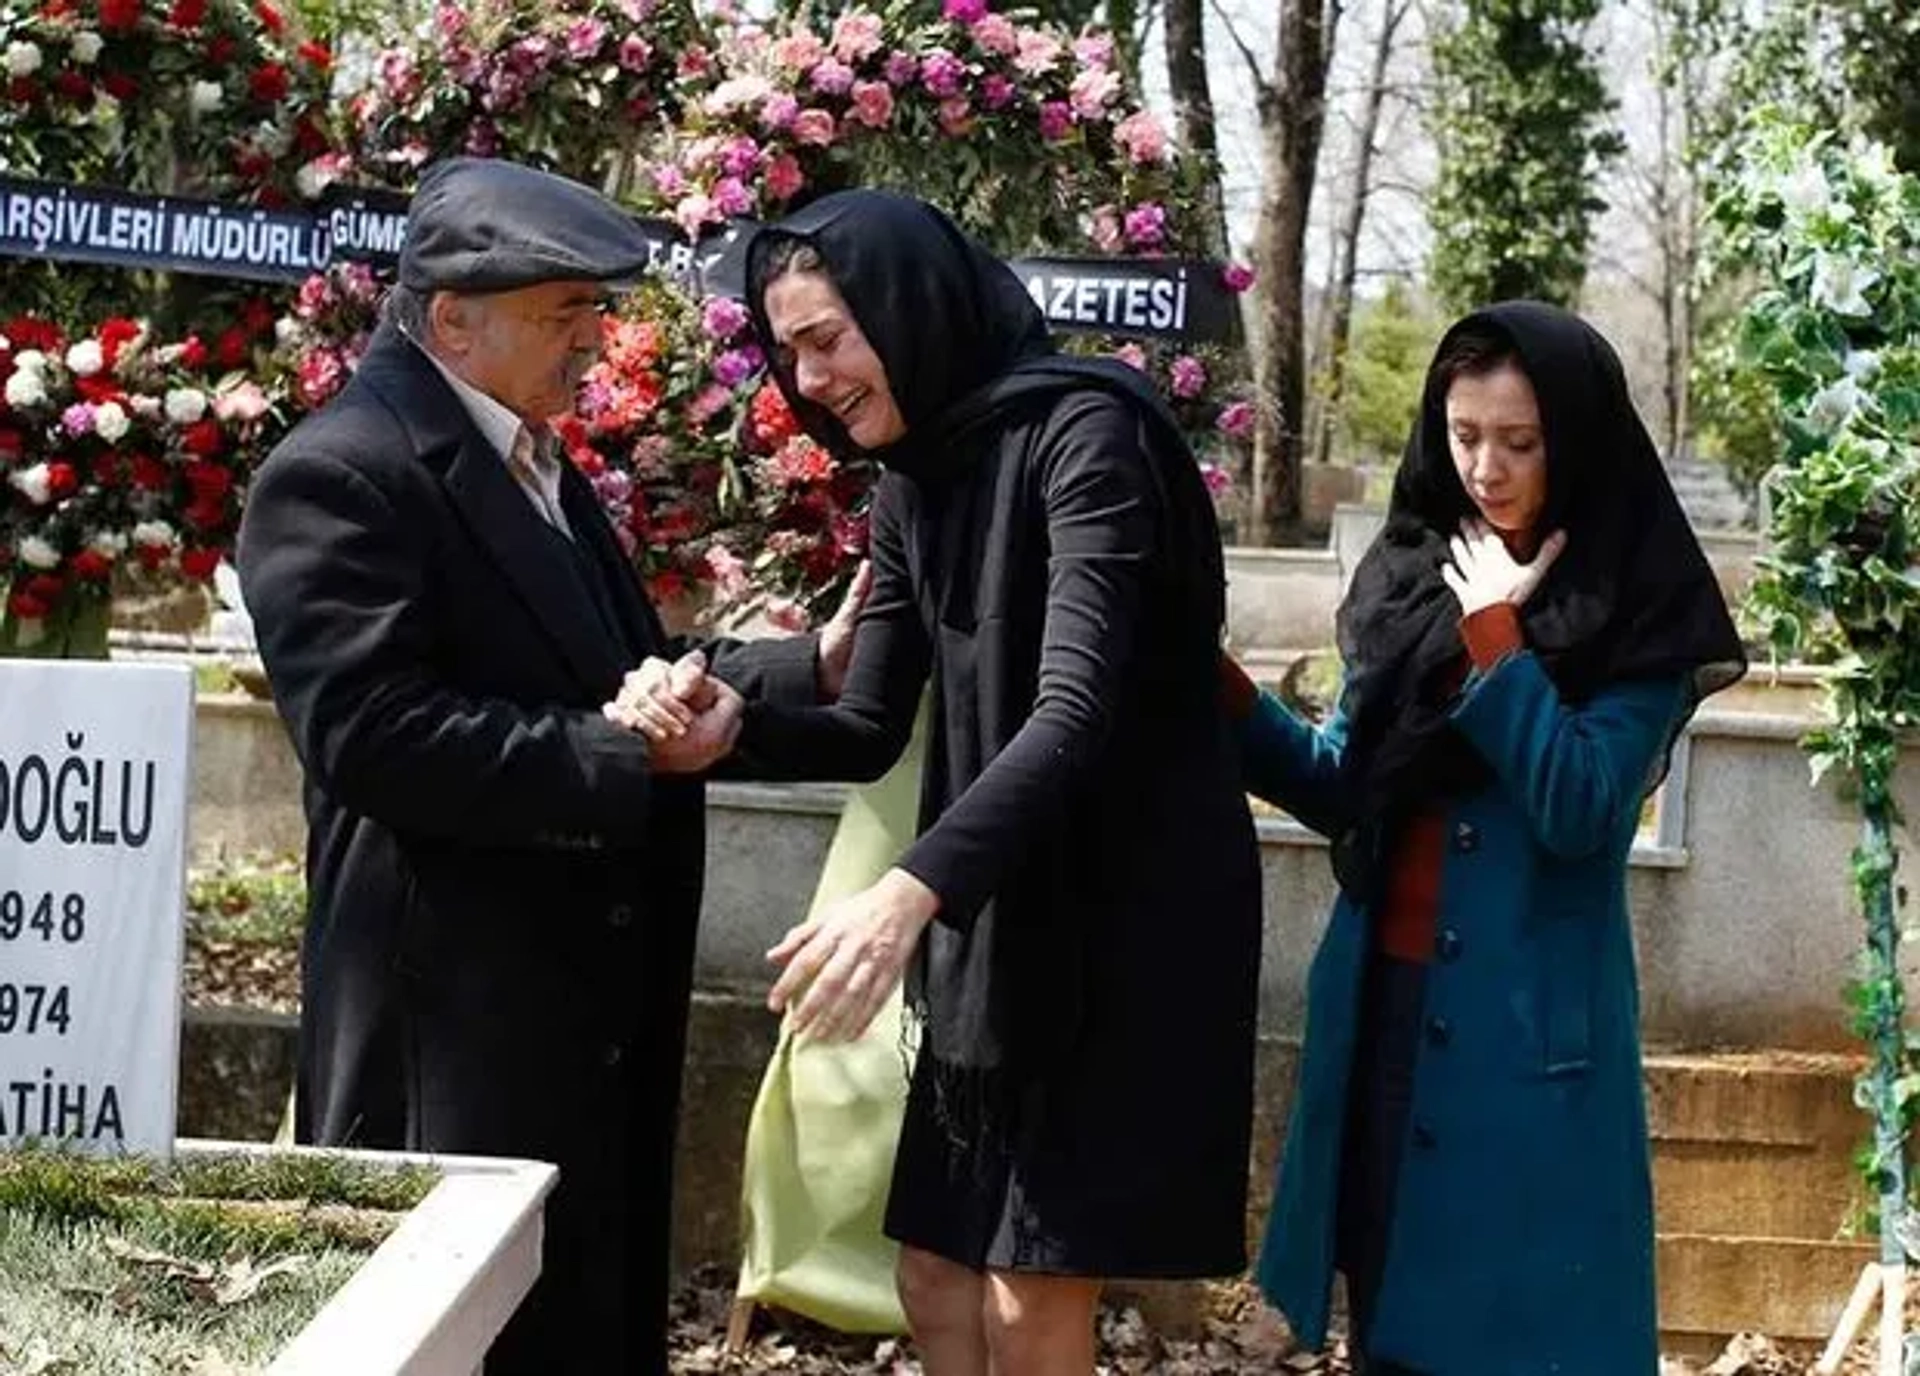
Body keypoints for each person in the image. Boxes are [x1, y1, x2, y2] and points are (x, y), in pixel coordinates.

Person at [613, 189, 1264, 1376]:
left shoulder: (1091, 438)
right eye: (790, 350)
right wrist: (729, 727)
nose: (808, 380)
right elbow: (868, 718)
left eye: (827, 338)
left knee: (1029, 1291)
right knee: (931, 1271)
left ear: (905, 307)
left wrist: (908, 892)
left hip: (1121, 924)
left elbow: (1078, 708)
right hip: (996, 922)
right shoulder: (917, 473)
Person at [236, 156, 862, 1376]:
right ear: (452, 319)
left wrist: (801, 668)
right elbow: (374, 736)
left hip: (568, 1027)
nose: (594, 339)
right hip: (454, 1043)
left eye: (595, 308)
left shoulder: (529, 453)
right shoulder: (345, 471)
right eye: (562, 312)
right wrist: (619, 757)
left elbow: (614, 666)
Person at [1228, 301, 1747, 1374]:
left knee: (1518, 1342)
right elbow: (1340, 783)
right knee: (1388, 1329)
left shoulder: (1637, 605)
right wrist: (1216, 688)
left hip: (1527, 1047)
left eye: (1520, 441)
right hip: (1384, 1014)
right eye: (1465, 434)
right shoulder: (1412, 574)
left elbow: (1583, 807)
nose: (1487, 468)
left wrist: (1499, 639)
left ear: (1576, 439)